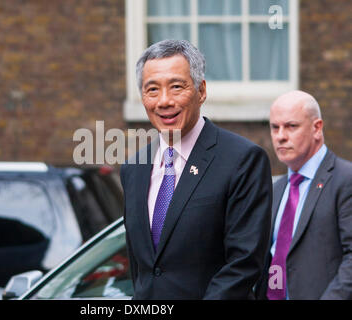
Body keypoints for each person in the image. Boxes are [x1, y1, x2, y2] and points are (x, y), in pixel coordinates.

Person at [121, 39, 273, 299]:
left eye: (176, 87)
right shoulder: (133, 168)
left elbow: (244, 264)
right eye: (152, 90)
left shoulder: (243, 160)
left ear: (201, 91)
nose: (164, 101)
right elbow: (141, 268)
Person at [255, 90, 352, 300]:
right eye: (275, 127)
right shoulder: (276, 189)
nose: (280, 136)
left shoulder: (345, 180)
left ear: (317, 128)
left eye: (291, 126)